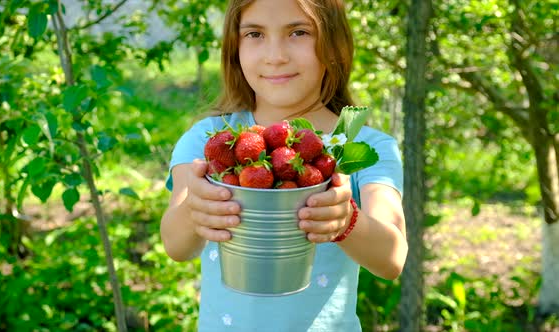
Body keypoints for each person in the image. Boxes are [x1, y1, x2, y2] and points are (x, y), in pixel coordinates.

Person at [160, 0, 407, 330]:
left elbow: (392, 259)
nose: (275, 55)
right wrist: (196, 210)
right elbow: (176, 246)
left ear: (333, 43)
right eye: (255, 34)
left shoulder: (361, 146)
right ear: (235, 47)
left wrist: (346, 221)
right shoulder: (210, 139)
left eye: (299, 32)